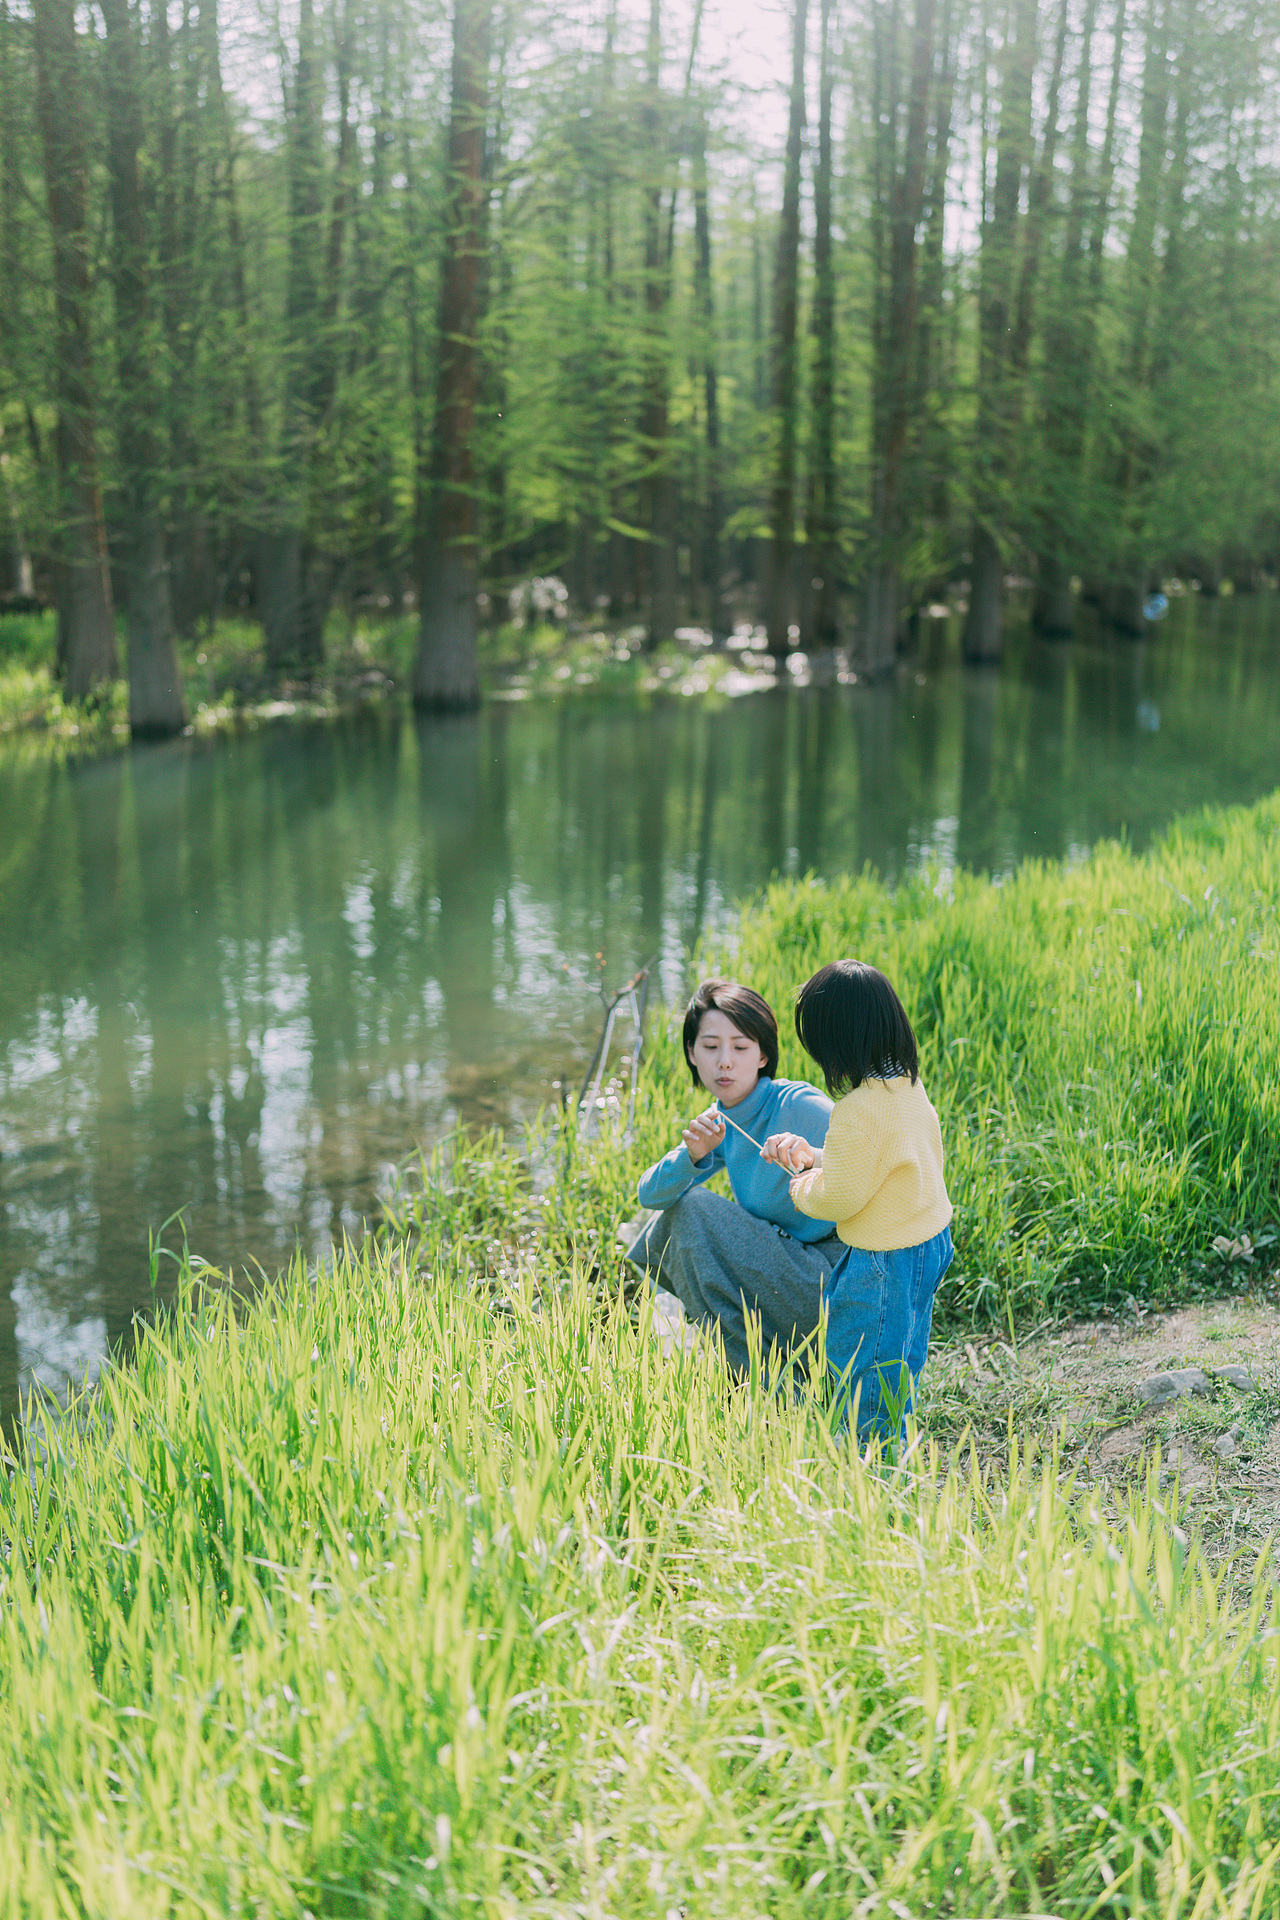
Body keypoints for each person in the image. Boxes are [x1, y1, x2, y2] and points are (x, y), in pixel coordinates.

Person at [760, 958, 952, 1440]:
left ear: (836, 1042)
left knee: (859, 1364)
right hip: (927, 1246)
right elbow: (883, 1162)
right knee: (900, 1358)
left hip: (880, 1263)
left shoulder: (856, 1110)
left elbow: (840, 1198)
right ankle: (894, 1442)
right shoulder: (907, 1089)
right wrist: (818, 1156)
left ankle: (869, 1471)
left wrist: (800, 1185)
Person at [626, 978, 839, 1379]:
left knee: (691, 1212)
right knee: (678, 1219)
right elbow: (649, 1195)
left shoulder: (798, 1103)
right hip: (789, 1276)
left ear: (762, 1055)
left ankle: (759, 1373)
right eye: (710, 1047)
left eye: (740, 1047)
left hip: (836, 1286)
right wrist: (693, 1155)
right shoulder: (719, 1125)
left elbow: (871, 1161)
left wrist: (814, 1158)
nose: (725, 1061)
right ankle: (756, 1372)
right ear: (692, 1053)